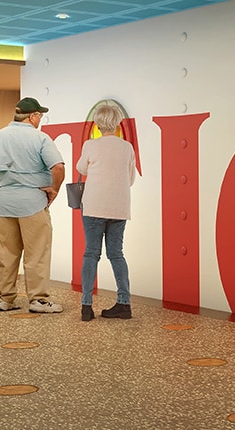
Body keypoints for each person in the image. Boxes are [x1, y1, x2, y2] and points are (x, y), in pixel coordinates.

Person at [0, 97, 66, 314]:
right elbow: (58, 167)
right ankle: (38, 300)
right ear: (33, 116)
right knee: (37, 254)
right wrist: (54, 189)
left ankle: (4, 299)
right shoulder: (40, 138)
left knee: (6, 254)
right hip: (32, 204)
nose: (40, 120)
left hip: (4, 205)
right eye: (40, 116)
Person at [76, 105, 138, 321]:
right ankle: (124, 304)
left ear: (97, 123)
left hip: (94, 206)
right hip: (119, 207)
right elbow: (131, 179)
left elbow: (81, 168)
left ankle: (86, 307)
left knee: (91, 253)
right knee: (116, 254)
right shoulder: (127, 147)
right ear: (118, 122)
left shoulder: (90, 145)